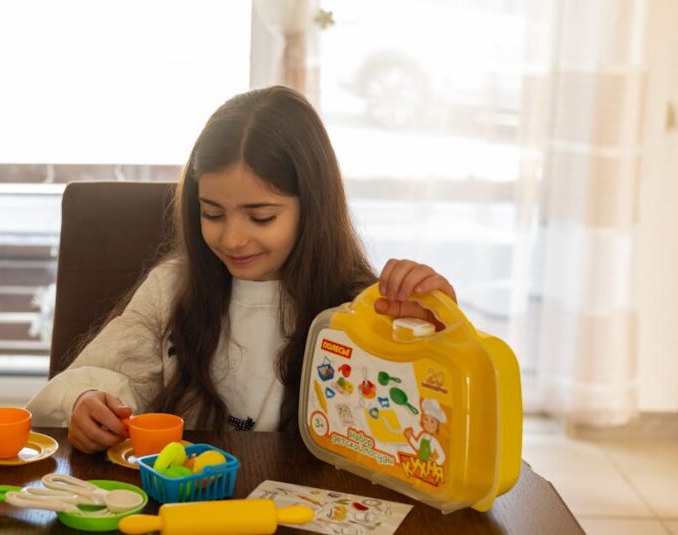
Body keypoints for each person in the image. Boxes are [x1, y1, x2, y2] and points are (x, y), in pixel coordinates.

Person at [26, 86, 457, 454]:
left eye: (261, 217)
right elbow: (109, 377)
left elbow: (422, 433)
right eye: (212, 213)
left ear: (314, 209)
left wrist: (432, 337)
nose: (232, 239)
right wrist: (88, 404)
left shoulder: (362, 305)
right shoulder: (174, 288)